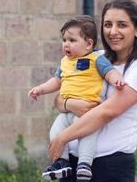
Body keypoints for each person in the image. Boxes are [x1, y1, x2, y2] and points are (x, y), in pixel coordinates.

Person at [49, 0, 137, 182]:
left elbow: (107, 112)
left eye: (122, 25)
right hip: (73, 163)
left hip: (110, 166)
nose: (113, 31)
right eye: (108, 24)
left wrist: (62, 138)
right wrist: (70, 103)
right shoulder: (95, 58)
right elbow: (59, 98)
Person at [28, 15, 125, 181]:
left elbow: (110, 72)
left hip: (86, 112)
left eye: (72, 40)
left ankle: (84, 164)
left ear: (88, 43)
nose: (66, 44)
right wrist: (41, 89)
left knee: (87, 134)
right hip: (66, 113)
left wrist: (116, 79)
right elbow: (56, 81)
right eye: (64, 39)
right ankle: (62, 162)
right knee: (55, 132)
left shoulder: (96, 59)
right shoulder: (65, 62)